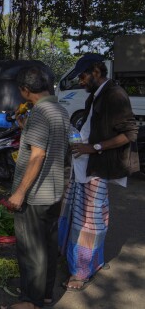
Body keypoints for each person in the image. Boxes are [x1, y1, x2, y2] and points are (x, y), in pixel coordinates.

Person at [59, 59, 139, 292]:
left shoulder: (115, 94)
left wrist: (93, 148)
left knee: (89, 221)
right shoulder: (96, 94)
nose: (80, 81)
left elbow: (130, 133)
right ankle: (79, 258)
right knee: (75, 214)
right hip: (84, 166)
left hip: (97, 167)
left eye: (83, 77)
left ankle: (82, 271)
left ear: (96, 71)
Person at [5, 66, 69, 309]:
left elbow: (37, 155)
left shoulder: (40, 112)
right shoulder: (59, 110)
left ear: (26, 90)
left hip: (35, 195)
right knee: (49, 246)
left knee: (31, 249)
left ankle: (30, 302)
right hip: (54, 192)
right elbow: (52, 144)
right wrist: (26, 128)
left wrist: (20, 193)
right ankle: (45, 295)